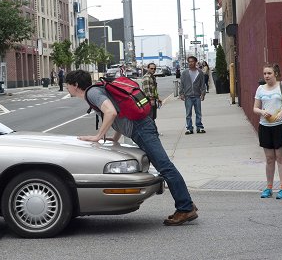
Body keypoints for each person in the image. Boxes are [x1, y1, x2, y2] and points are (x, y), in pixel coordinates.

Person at [65, 69, 198, 226]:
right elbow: (120, 114)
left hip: (141, 129)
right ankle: (187, 204)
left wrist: (98, 136)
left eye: (67, 85)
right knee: (164, 166)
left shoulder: (91, 93)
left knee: (165, 167)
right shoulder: (96, 90)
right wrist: (114, 138)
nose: (67, 88)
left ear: (75, 85)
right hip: (141, 127)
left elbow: (111, 112)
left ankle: (185, 208)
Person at [253, 63, 282, 199]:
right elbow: (255, 108)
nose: (266, 76)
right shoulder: (260, 89)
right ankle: (269, 187)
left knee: (281, 158)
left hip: (280, 126)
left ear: (275, 74)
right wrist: (262, 111)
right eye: (265, 73)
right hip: (265, 127)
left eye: (269, 73)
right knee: (269, 158)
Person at [179, 56, 206, 134]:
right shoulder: (184, 73)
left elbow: (202, 84)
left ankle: (199, 127)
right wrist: (181, 93)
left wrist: (203, 93)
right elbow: (182, 84)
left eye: (192, 61)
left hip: (197, 95)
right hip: (188, 96)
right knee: (188, 113)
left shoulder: (200, 72)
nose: (190, 63)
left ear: (195, 62)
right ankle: (189, 128)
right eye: (189, 62)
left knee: (198, 112)